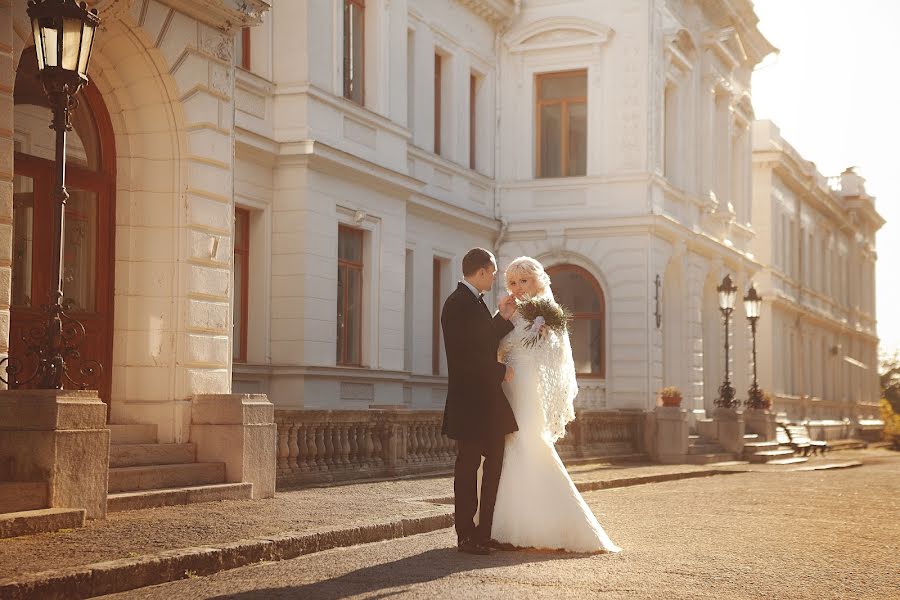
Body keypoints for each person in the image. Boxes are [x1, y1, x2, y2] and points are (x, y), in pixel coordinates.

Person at [490, 256, 621, 554]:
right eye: (512, 282)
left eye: (524, 281)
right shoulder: (508, 311)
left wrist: (542, 335)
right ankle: (498, 525)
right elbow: (494, 345)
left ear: (539, 281)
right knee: (504, 447)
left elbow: (558, 358)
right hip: (505, 386)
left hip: (527, 387)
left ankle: (547, 525)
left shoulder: (550, 313)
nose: (519, 287)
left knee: (528, 442)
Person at [441, 247, 517, 555]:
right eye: (494, 271)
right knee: (468, 468)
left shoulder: (474, 302)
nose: (496, 276)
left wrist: (503, 317)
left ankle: (485, 531)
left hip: (488, 404)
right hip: (469, 402)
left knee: (495, 465)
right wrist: (501, 370)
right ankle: (466, 535)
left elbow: (483, 341)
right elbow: (465, 356)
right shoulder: (457, 303)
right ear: (482, 271)